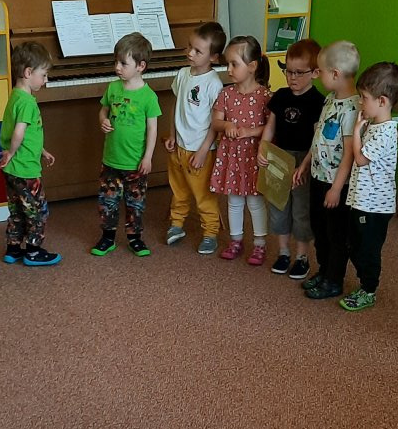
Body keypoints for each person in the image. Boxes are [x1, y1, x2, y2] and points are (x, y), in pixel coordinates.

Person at [294, 39, 360, 299]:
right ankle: (323, 271)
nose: (318, 76)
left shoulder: (353, 108)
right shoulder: (330, 99)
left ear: (335, 74)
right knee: (319, 229)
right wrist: (305, 163)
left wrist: (336, 188)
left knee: (336, 234)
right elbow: (320, 136)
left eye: (320, 71)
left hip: (336, 184)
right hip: (318, 176)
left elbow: (349, 154)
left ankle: (334, 280)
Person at [340, 61, 398, 311]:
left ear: (382, 101)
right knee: (353, 244)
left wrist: (356, 131)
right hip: (361, 201)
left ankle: (368, 289)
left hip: (375, 206)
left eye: (364, 98)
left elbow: (360, 158)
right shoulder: (374, 125)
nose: (360, 103)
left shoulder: (385, 131)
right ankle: (364, 284)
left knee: (367, 249)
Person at [92, 32, 161, 257]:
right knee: (107, 202)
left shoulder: (148, 97)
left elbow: (152, 129)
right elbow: (103, 110)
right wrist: (102, 120)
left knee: (135, 203)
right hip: (111, 160)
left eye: (123, 63)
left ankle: (135, 238)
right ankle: (107, 237)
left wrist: (148, 157)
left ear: (141, 66)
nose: (117, 67)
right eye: (116, 62)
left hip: (135, 163)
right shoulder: (113, 88)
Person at [260, 38, 323, 278]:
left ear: (315, 73)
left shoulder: (318, 101)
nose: (292, 77)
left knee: (301, 210)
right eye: (288, 71)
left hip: (303, 161)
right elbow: (271, 126)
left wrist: (305, 165)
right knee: (279, 206)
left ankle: (302, 257)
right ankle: (284, 252)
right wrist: (263, 148)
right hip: (280, 157)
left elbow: (317, 139)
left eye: (299, 72)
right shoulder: (281, 96)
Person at [210, 35, 272, 264]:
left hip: (254, 156)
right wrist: (226, 125)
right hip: (232, 157)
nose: (228, 69)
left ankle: (259, 244)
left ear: (252, 66)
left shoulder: (265, 96)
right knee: (234, 200)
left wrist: (250, 131)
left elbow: (271, 127)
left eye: (234, 64)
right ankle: (236, 240)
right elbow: (215, 122)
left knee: (255, 201)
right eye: (227, 64)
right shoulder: (226, 93)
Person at [165, 21, 226, 254]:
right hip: (179, 147)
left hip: (201, 151)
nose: (190, 53)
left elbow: (215, 123)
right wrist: (172, 134)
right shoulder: (182, 74)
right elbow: (175, 106)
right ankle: (176, 224)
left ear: (214, 57)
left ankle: (210, 233)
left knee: (203, 196)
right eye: (189, 46)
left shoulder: (213, 84)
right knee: (178, 190)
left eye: (198, 51)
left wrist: (203, 151)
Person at [0, 40, 60, 267]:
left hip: (13, 169)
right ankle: (33, 251)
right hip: (25, 168)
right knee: (37, 210)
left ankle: (13, 248)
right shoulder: (28, 103)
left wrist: (41, 150)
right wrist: (12, 152)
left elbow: (27, 134)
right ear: (28, 73)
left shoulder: (15, 96)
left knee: (16, 209)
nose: (46, 80)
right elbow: (19, 132)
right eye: (43, 75)